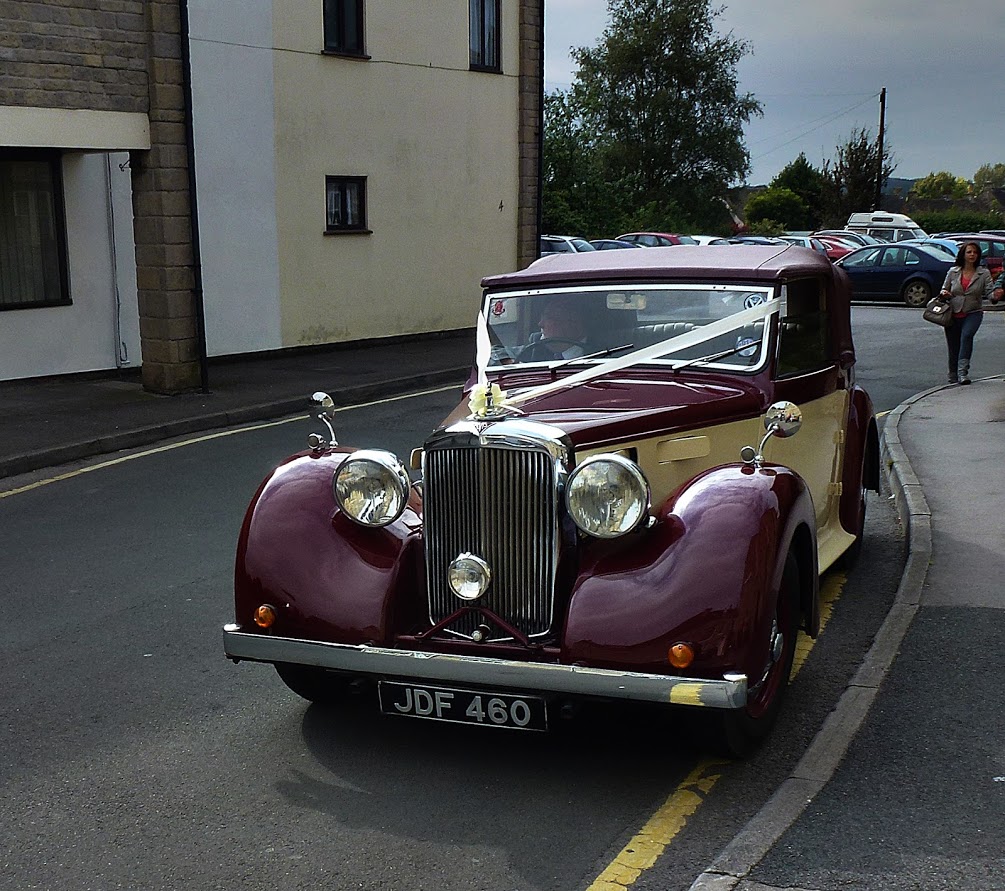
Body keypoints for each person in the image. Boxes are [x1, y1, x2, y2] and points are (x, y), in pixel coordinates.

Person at [938, 242, 994, 385]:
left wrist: (995, 296)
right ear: (963, 254)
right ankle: (952, 375)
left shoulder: (983, 273)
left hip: (973, 311)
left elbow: (990, 292)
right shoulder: (953, 272)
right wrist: (944, 293)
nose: (972, 255)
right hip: (952, 313)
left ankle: (963, 373)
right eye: (969, 252)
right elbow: (944, 289)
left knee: (967, 336)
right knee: (953, 345)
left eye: (975, 252)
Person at [521, 300, 591, 360]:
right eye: (542, 317)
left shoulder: (599, 351)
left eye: (549, 318)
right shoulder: (536, 344)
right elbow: (513, 353)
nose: (540, 324)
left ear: (573, 324)